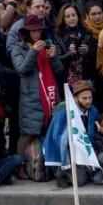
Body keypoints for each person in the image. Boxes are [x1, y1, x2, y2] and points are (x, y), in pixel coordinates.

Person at [11, 14, 64, 157]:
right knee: (27, 133)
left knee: (51, 131)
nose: (36, 33)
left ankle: (49, 165)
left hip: (50, 94)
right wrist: (33, 51)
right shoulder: (18, 49)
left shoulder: (48, 45)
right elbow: (22, 69)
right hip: (31, 97)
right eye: (32, 31)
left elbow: (59, 71)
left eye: (38, 30)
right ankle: (19, 165)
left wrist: (53, 57)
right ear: (26, 32)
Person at [42, 80, 102, 188]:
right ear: (75, 99)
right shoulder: (64, 112)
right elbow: (58, 139)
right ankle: (63, 174)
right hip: (69, 153)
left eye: (90, 98)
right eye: (84, 98)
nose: (88, 101)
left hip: (87, 149)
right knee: (79, 180)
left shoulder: (93, 111)